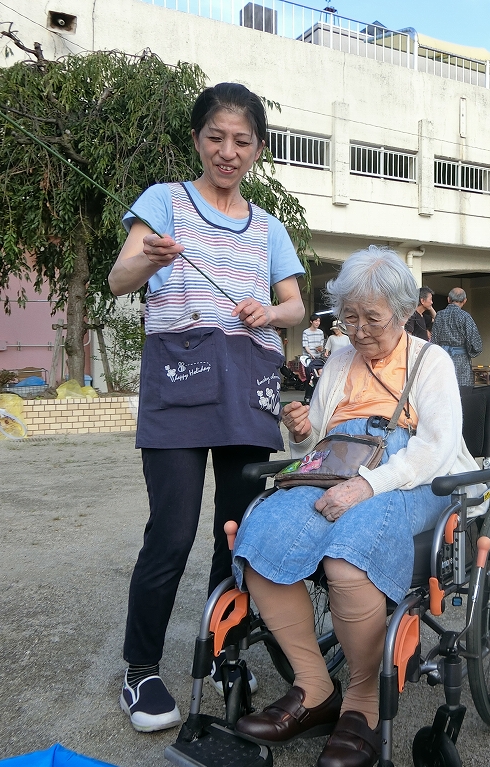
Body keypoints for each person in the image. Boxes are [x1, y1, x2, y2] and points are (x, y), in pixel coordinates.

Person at [231, 246, 479, 767]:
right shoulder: (341, 357)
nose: (360, 330)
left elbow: (433, 451)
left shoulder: (430, 362)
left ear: (405, 312)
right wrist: (299, 432)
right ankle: (315, 689)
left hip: (409, 475)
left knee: (347, 558)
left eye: (373, 318)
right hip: (338, 466)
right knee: (262, 539)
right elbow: (318, 443)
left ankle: (364, 701)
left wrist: (370, 485)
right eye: (349, 317)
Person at [107, 82, 306, 733]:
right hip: (180, 377)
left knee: (238, 531)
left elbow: (296, 306)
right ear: (197, 139)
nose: (227, 150)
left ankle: (224, 653)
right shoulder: (164, 201)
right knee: (172, 528)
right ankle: (140, 670)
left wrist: (269, 311)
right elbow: (119, 278)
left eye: (241, 140)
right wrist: (148, 257)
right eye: (215, 137)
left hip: (250, 383)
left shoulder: (269, 226)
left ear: (258, 149)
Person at [431, 287, 483, 388]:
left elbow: (434, 340)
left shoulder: (439, 315)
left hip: (443, 358)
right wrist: (470, 352)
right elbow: (475, 343)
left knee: (444, 388)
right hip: (461, 360)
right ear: (464, 301)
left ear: (448, 299)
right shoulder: (465, 316)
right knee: (462, 391)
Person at [303, 315, 327, 380]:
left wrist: (320, 348)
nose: (318, 323)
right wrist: (311, 354)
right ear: (311, 321)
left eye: (319, 321)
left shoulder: (320, 332)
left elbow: (321, 346)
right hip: (308, 358)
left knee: (320, 375)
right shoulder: (306, 332)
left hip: (318, 359)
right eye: (316, 321)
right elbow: (305, 346)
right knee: (310, 377)